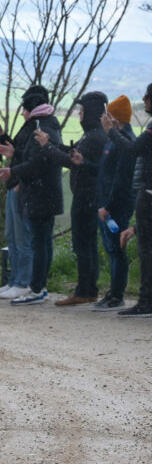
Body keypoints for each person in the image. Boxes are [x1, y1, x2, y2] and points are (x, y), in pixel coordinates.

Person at [35, 91, 108, 305]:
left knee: (83, 245)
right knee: (87, 245)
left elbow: (70, 161)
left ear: (91, 112)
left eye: (82, 110)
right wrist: (53, 144)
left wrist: (47, 146)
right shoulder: (95, 134)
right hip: (88, 197)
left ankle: (85, 290)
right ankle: (88, 289)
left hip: (86, 198)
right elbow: (72, 154)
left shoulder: (94, 136)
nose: (79, 114)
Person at [0, 85, 63, 305]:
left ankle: (32, 286)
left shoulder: (43, 127)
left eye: (24, 108)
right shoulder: (39, 125)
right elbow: (29, 154)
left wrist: (14, 172)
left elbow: (39, 162)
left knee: (35, 242)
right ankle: (29, 284)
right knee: (30, 240)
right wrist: (13, 153)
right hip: (35, 191)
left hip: (39, 193)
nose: (22, 113)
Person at [102, 83, 152, 317]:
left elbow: (132, 150)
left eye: (147, 97)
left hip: (148, 193)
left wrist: (112, 131)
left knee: (146, 251)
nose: (144, 100)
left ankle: (145, 301)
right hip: (146, 192)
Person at [92, 95, 137, 311]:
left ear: (115, 118)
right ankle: (113, 291)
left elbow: (121, 179)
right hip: (107, 202)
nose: (104, 119)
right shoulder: (114, 138)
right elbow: (106, 172)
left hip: (116, 206)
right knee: (111, 249)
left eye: (108, 115)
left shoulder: (124, 140)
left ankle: (117, 295)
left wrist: (108, 206)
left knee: (116, 249)